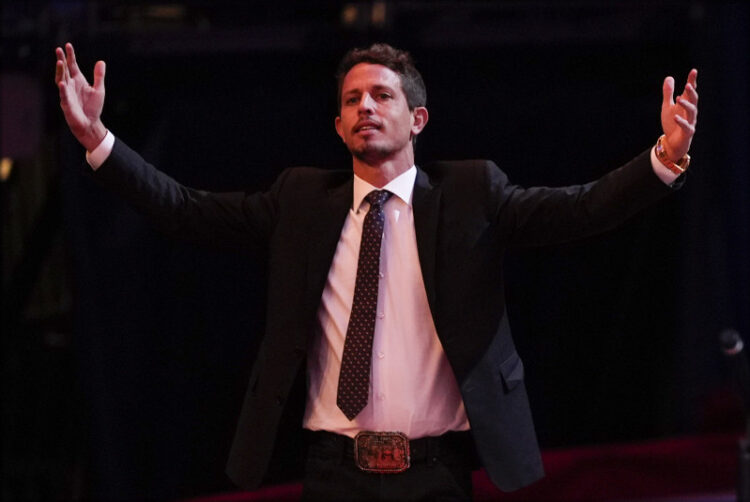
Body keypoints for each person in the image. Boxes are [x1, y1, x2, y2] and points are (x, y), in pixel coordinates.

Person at [55, 42, 698, 501]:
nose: (366, 106)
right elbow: (185, 211)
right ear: (338, 126)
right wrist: (98, 142)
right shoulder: (302, 199)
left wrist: (662, 160)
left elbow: (580, 209)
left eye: (382, 95)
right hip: (334, 470)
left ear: (416, 119)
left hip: (435, 471)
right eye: (353, 99)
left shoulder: (473, 192)